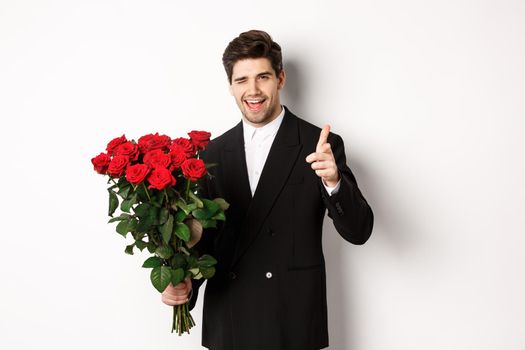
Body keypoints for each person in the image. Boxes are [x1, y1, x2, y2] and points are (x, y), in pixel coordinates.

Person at [162, 30, 373, 350]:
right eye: (242, 80)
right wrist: (183, 284)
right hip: (230, 321)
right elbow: (203, 242)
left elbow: (359, 230)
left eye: (263, 77)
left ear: (281, 78)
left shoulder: (319, 144)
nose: (253, 90)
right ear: (231, 87)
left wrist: (334, 183)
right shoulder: (211, 155)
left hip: (292, 323)